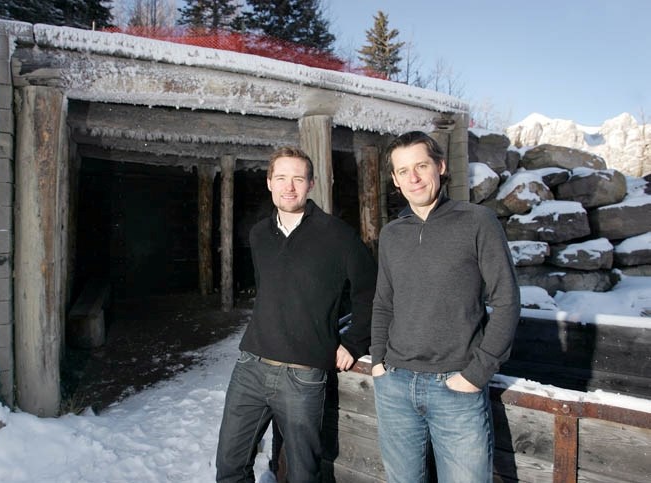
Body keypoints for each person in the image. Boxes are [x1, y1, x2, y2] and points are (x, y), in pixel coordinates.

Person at [216, 146, 377, 483]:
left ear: (311, 184)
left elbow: (372, 292)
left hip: (303, 376)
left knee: (302, 474)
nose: (289, 187)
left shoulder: (339, 235)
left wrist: (354, 341)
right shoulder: (259, 235)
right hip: (251, 367)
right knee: (230, 467)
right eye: (281, 178)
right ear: (269, 182)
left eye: (298, 179)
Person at [370, 131, 520, 483]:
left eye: (421, 166)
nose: (414, 178)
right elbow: (383, 304)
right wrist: (378, 362)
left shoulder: (477, 221)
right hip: (395, 385)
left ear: (440, 166)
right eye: (403, 171)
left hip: (456, 387)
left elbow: (507, 300)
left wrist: (476, 374)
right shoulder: (392, 234)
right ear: (395, 180)